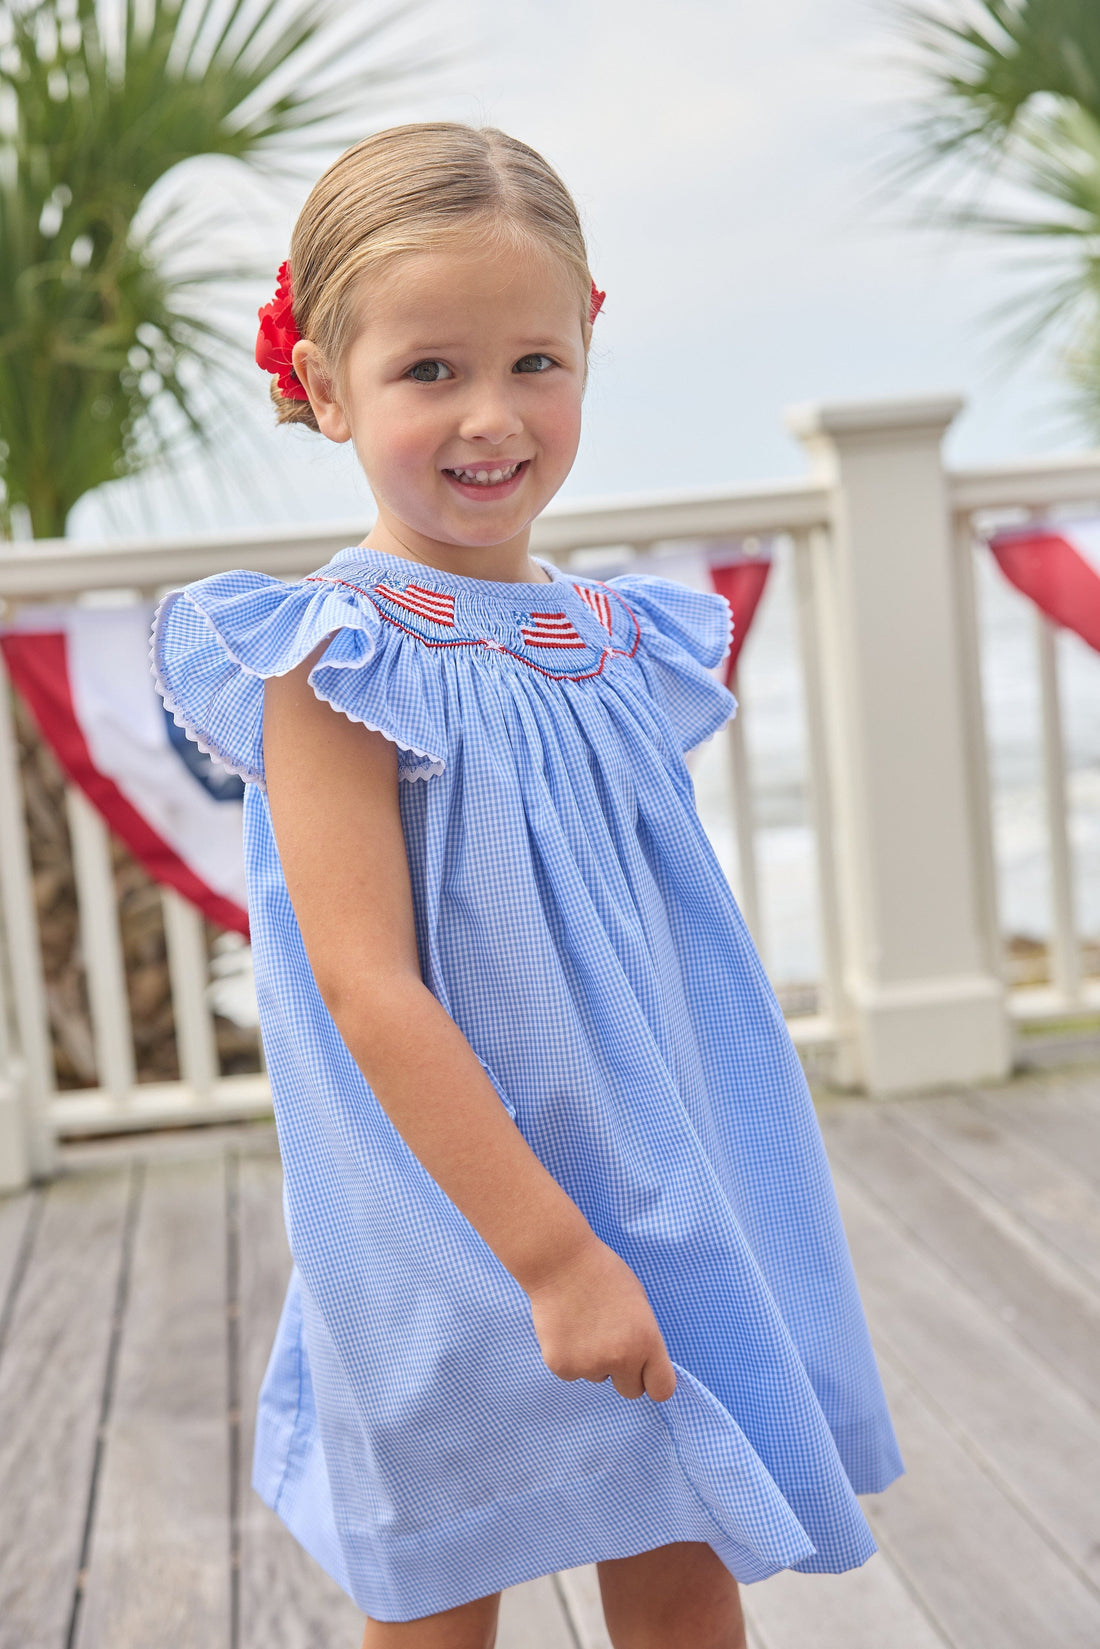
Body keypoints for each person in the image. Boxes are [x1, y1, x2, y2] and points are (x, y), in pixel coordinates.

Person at [152, 122, 903, 1649]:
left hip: (654, 1181)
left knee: (684, 1557)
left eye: (533, 363)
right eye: (429, 370)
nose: (490, 415)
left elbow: (631, 943)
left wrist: (642, 1223)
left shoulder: (614, 642)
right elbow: (365, 983)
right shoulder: (334, 659)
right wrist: (552, 1255)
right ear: (327, 386)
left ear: (586, 352)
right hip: (446, 1211)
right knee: (446, 1577)